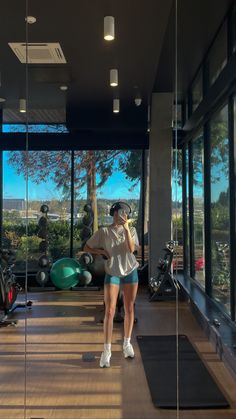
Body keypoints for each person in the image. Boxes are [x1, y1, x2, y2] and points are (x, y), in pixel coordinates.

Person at [84, 201, 139, 368]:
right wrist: (100, 251)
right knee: (109, 310)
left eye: (126, 213)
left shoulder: (132, 230)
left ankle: (127, 344)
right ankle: (106, 351)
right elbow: (86, 247)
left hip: (130, 270)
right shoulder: (103, 232)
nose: (123, 215)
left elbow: (131, 250)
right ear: (113, 213)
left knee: (129, 309)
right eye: (120, 212)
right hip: (112, 272)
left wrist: (128, 229)